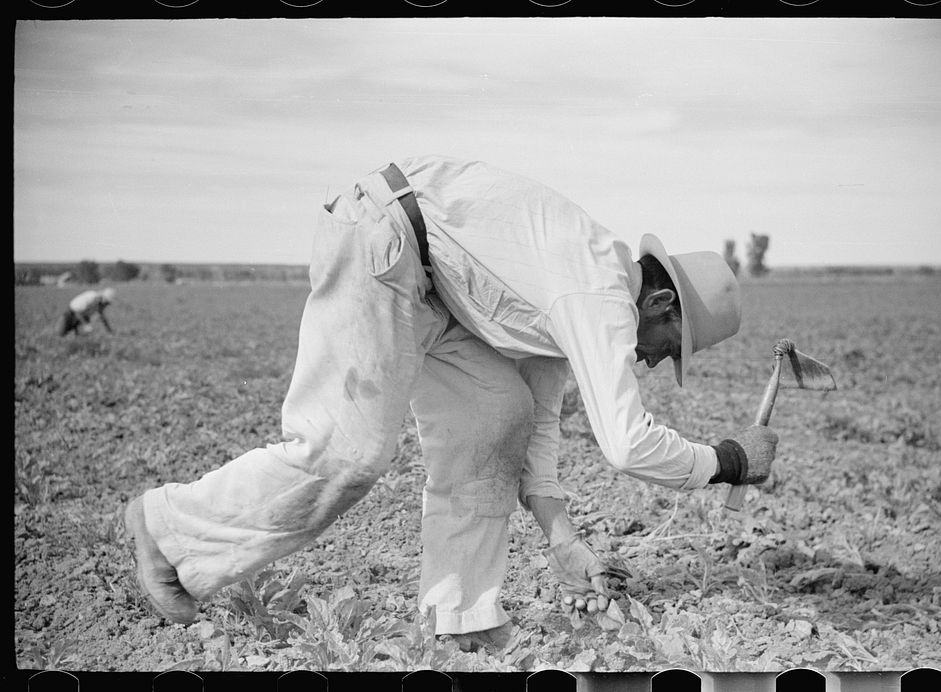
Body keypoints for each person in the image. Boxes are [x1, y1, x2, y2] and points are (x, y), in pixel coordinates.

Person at [124, 155, 778, 650]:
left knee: (502, 417)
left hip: (436, 286)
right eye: (672, 345)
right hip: (384, 241)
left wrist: (566, 545)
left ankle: (461, 621)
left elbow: (541, 431)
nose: (658, 360)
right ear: (662, 303)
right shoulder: (595, 291)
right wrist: (725, 460)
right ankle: (167, 526)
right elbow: (626, 442)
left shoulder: (569, 302)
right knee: (347, 453)